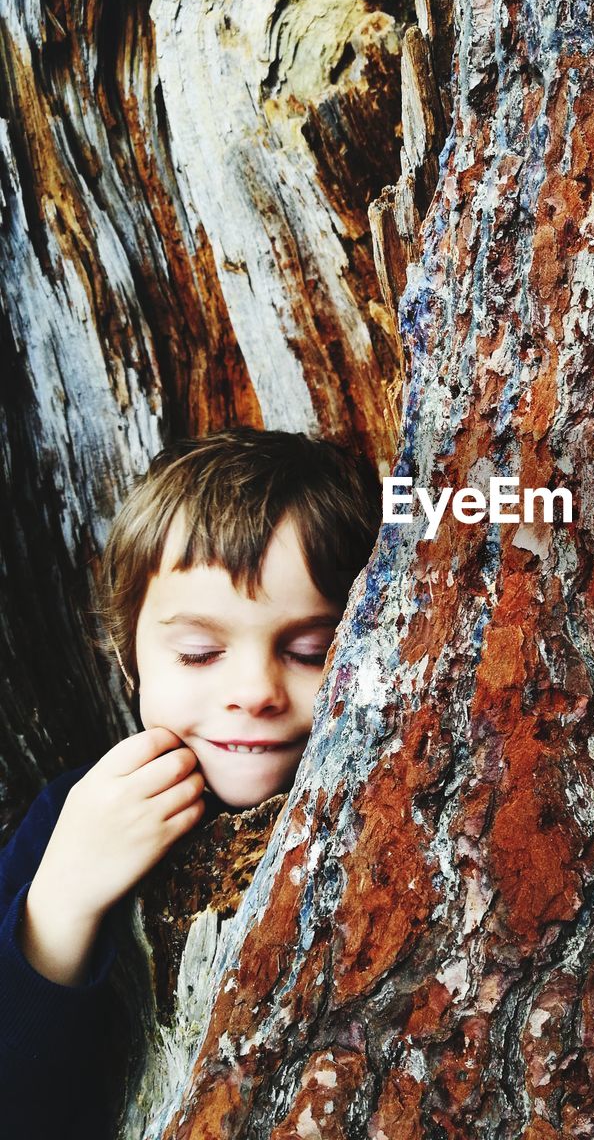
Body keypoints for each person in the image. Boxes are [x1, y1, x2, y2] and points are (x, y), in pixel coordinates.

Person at [0, 427, 379, 1139]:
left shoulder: (400, 808)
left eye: (309, 650)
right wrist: (59, 908)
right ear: (129, 657)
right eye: (201, 654)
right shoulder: (77, 814)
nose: (255, 691)